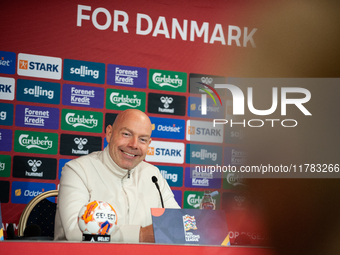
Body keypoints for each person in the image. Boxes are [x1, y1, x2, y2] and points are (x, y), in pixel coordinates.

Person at [54, 109, 180, 243]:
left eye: (142, 139)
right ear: (109, 133)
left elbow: (178, 224)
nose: (134, 144)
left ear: (149, 144)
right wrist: (141, 235)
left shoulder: (153, 175)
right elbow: (75, 231)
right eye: (126, 134)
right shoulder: (78, 170)